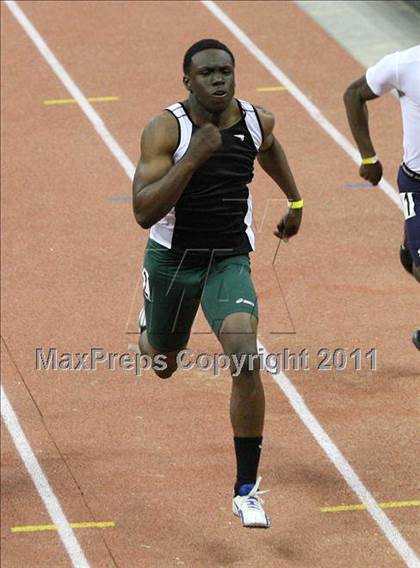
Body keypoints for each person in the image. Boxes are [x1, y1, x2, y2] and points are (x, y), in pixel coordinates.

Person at [132, 38, 303, 528]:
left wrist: (295, 201)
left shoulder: (255, 119)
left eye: (225, 71)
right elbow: (144, 212)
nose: (218, 80)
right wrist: (194, 158)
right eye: (206, 73)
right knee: (163, 362)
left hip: (228, 258)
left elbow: (269, 149)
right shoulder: (167, 130)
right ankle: (153, 327)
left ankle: (246, 489)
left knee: (245, 355)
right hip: (171, 261)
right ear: (187, 80)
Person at [343, 45, 420, 350]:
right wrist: (368, 157)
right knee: (412, 259)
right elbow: (353, 95)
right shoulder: (405, 65)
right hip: (417, 182)